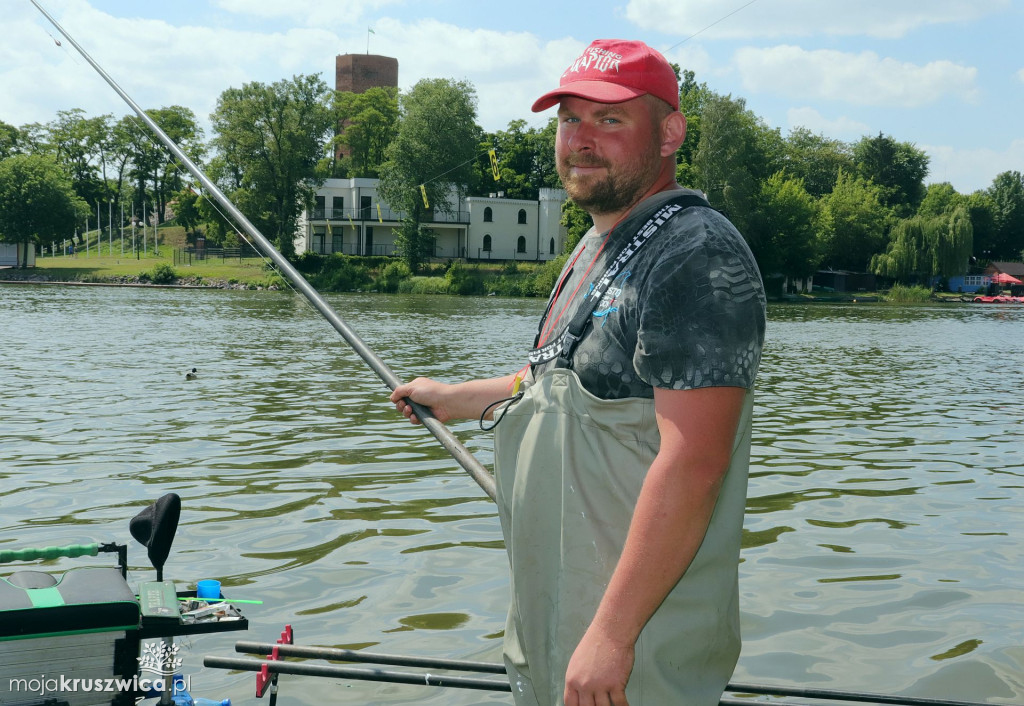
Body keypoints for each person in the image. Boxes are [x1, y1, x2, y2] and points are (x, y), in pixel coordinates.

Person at [391, 38, 766, 706]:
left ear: (670, 133)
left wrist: (612, 638)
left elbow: (695, 462)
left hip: (632, 655)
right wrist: (453, 398)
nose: (580, 139)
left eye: (609, 120)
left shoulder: (696, 254)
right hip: (557, 632)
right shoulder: (597, 245)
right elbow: (556, 386)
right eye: (569, 119)